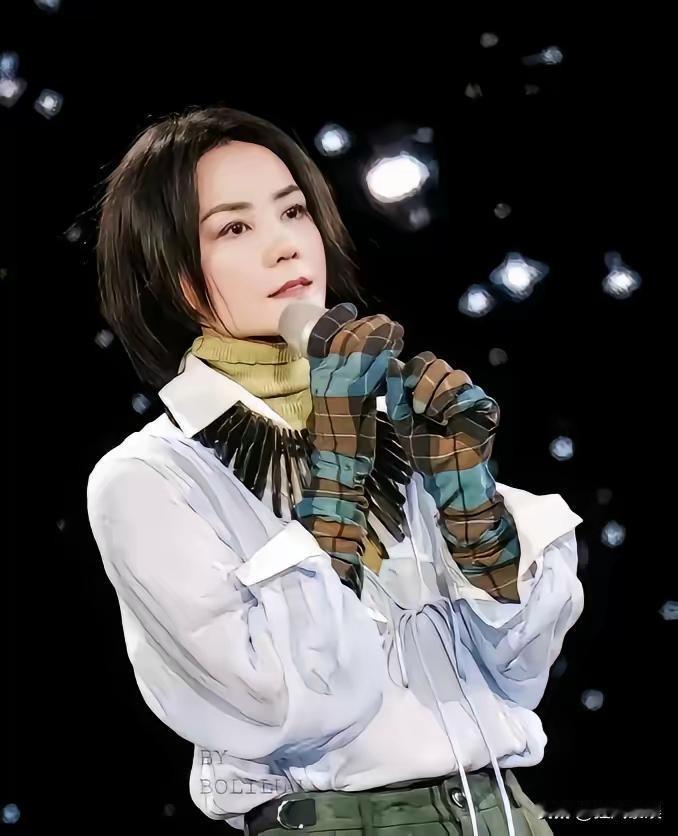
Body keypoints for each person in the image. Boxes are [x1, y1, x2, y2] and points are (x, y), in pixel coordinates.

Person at [87, 105, 584, 836]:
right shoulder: (150, 478)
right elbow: (289, 702)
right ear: (170, 273)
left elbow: (520, 671)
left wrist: (469, 500)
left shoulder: (399, 422)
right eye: (234, 228)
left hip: (509, 813)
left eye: (293, 211)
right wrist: (339, 456)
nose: (286, 245)